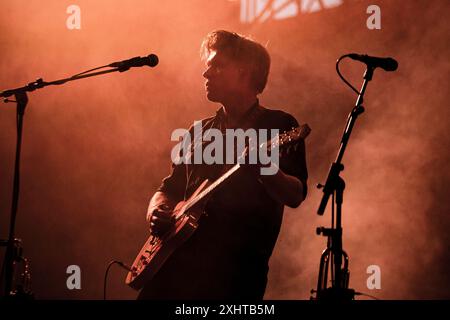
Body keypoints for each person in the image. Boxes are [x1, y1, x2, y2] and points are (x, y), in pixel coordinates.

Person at [137, 30, 308, 300]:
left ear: (245, 72)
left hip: (235, 277)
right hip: (174, 267)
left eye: (217, 65)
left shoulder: (279, 125)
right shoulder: (197, 131)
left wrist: (265, 168)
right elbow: (168, 189)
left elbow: (295, 194)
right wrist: (157, 210)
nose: (206, 74)